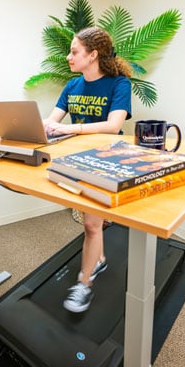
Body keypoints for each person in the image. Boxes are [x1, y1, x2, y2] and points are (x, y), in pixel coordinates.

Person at [43, 26, 133, 312]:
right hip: (77, 161)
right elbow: (51, 121)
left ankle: (84, 283)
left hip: (106, 162)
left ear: (93, 55)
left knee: (92, 225)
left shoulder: (119, 84)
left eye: (74, 52)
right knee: (91, 221)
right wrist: (42, 129)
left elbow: (113, 125)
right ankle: (100, 260)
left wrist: (70, 128)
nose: (69, 57)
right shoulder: (72, 86)